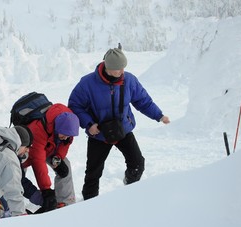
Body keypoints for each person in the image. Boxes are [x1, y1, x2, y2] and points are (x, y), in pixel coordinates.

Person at [68, 45, 170, 200]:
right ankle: (88, 203)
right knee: (93, 173)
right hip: (99, 134)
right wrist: (89, 124)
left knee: (137, 163)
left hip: (123, 129)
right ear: (108, 68)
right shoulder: (87, 83)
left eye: (123, 67)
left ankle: (129, 190)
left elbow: (143, 101)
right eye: (118, 69)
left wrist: (159, 116)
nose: (122, 71)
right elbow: (75, 105)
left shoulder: (129, 80)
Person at [22, 103, 80, 213]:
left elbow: (65, 143)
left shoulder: (69, 125)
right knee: (17, 171)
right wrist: (46, 190)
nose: (66, 137)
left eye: (68, 135)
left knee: (65, 165)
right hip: (28, 148)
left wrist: (58, 158)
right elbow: (38, 161)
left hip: (49, 147)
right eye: (64, 134)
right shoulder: (38, 128)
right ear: (58, 127)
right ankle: (11, 203)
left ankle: (65, 202)